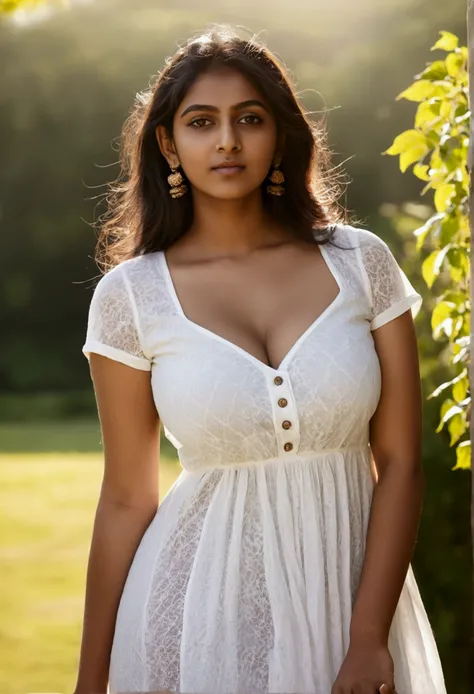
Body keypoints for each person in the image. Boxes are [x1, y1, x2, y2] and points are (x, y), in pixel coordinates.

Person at [74, 24, 447, 694]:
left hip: (352, 609)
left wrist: (367, 639)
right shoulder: (131, 297)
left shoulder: (361, 265)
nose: (227, 141)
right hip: (194, 622)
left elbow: (399, 464)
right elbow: (128, 498)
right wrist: (90, 681)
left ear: (281, 134)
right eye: (200, 122)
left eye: (250, 118)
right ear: (167, 142)